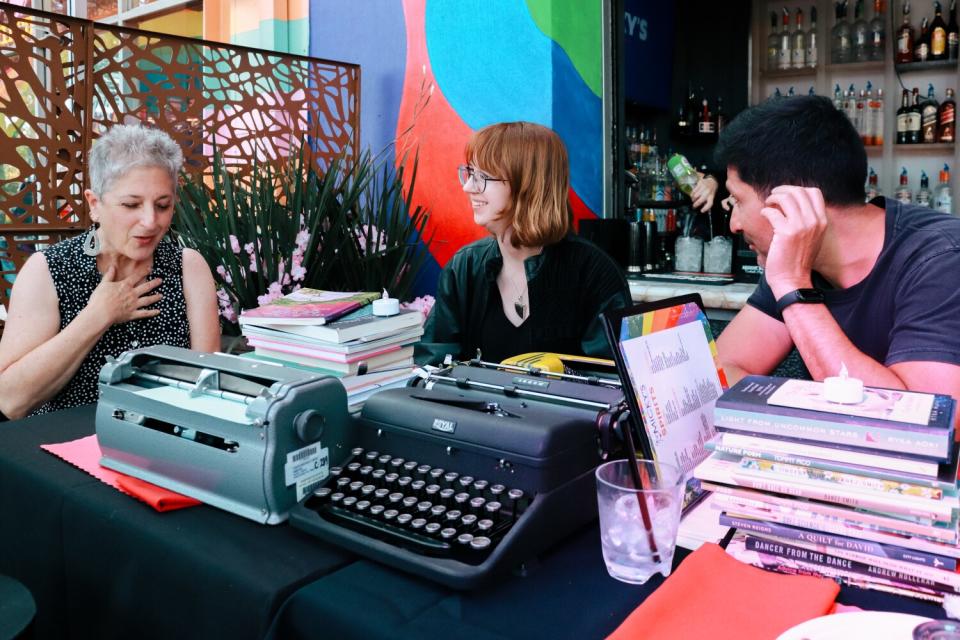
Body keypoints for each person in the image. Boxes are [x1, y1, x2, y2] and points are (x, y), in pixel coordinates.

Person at [714, 95, 960, 399]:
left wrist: (794, 286)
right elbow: (721, 368)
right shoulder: (795, 260)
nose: (734, 224)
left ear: (792, 199)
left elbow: (925, 419)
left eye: (737, 200)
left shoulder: (941, 257)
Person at [0, 124, 220, 419]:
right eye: (131, 205)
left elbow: (207, 388)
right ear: (95, 204)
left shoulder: (188, 267)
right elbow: (10, 401)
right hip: (65, 447)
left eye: (162, 205)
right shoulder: (49, 270)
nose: (150, 221)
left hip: (165, 444)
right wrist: (98, 316)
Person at [416, 122, 632, 366]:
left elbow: (611, 380)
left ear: (528, 185)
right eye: (469, 173)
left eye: (483, 177)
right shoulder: (464, 267)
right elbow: (432, 367)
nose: (468, 187)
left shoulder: (595, 273)